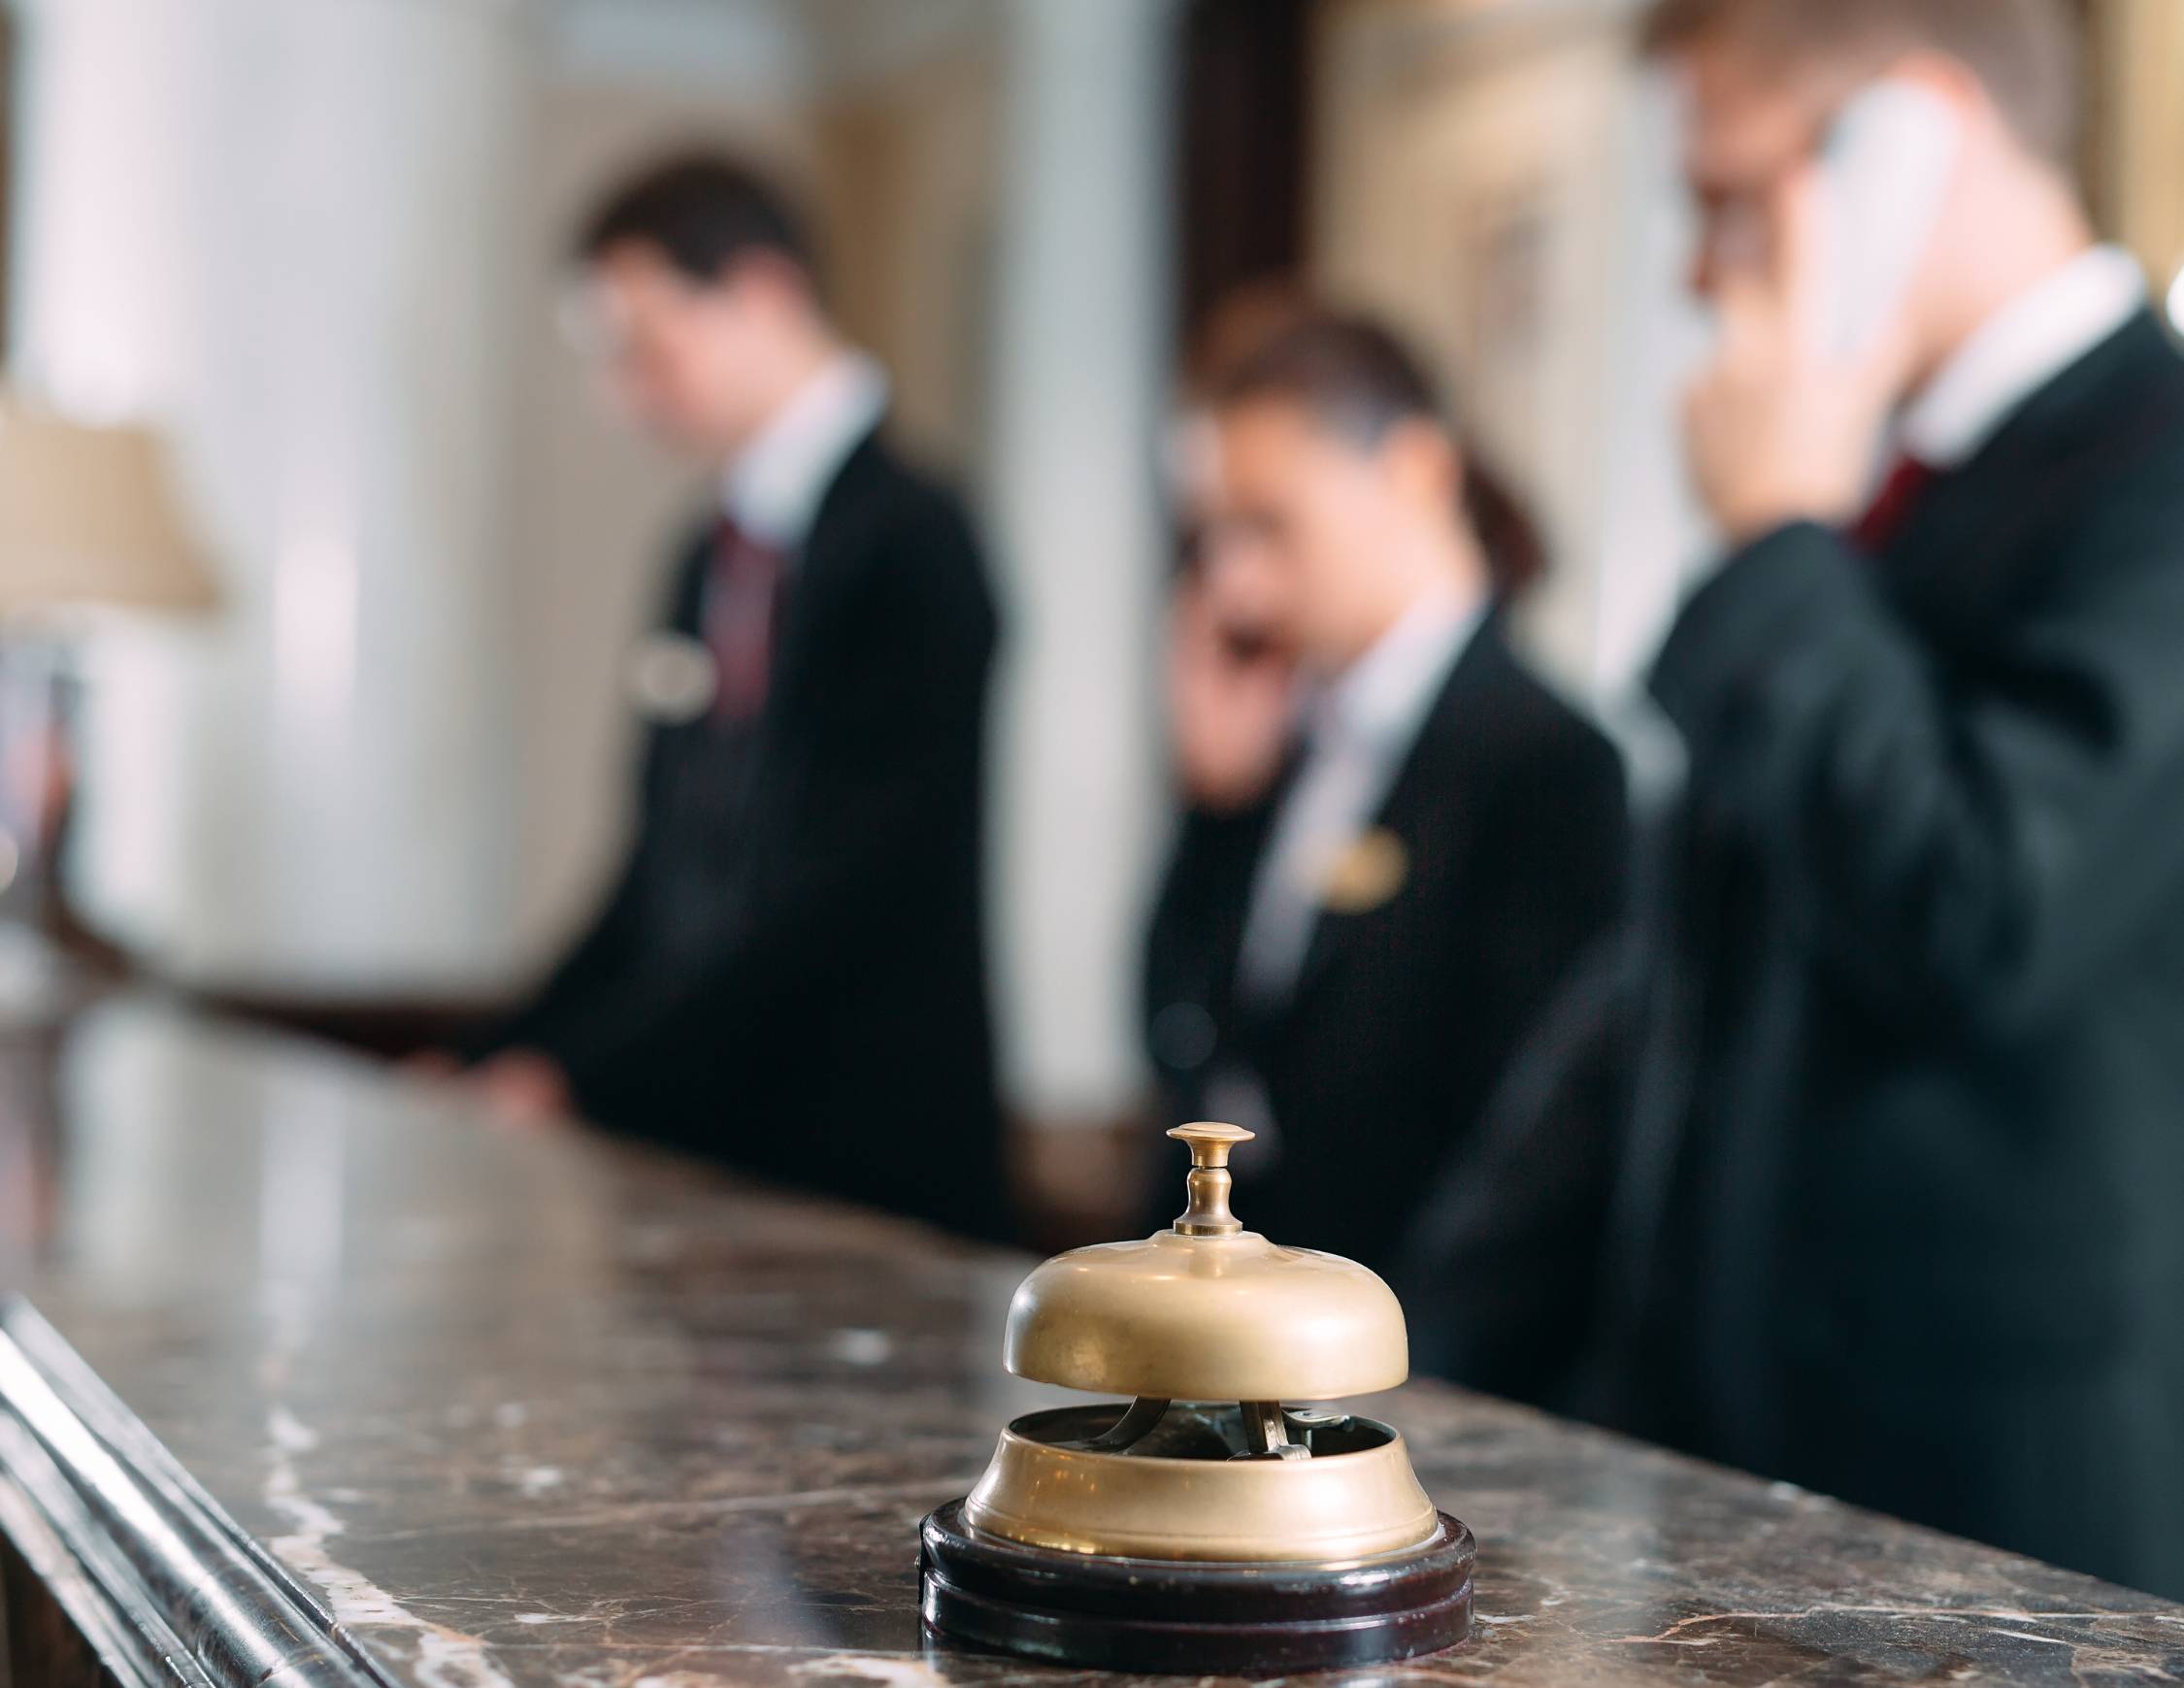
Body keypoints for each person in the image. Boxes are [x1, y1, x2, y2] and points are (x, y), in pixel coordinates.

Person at [1606, 0, 2184, 1598]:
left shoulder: (2161, 465)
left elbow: (1989, 907)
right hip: (1743, 1474)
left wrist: (1779, 539)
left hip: (2002, 1524)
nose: (1695, 270)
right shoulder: (1873, 488)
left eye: (1728, 195)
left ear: (1913, 135)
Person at [449, 155, 1006, 1239]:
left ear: (760, 293)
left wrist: (583, 1074)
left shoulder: (915, 539)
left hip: (862, 1164)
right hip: (697, 1149)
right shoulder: (705, 557)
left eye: (646, 348)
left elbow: (841, 887)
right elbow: (658, 872)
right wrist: (506, 1050)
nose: (627, 397)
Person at [1143, 310, 1629, 1352]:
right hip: (1236, 1341)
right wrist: (1211, 807)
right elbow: (1187, 1039)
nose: (1232, 584)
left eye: (1271, 525)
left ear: (1413, 473)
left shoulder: (1554, 764)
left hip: (1408, 1358)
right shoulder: (1277, 737)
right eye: (1214, 537)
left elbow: (1527, 1146)